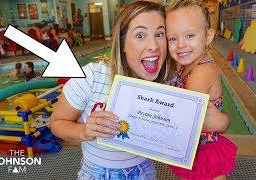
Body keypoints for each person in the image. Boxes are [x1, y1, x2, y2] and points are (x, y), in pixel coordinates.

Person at [50, 1, 169, 179]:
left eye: (159, 34)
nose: (153, 45)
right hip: (98, 173)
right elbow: (56, 123)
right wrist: (84, 131)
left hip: (144, 170)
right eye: (140, 35)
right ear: (121, 44)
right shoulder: (93, 76)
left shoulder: (167, 83)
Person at [166, 0, 237, 179]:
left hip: (205, 150)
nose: (180, 44)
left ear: (208, 37)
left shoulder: (202, 71)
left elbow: (183, 113)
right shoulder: (187, 65)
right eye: (172, 38)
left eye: (190, 36)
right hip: (196, 146)